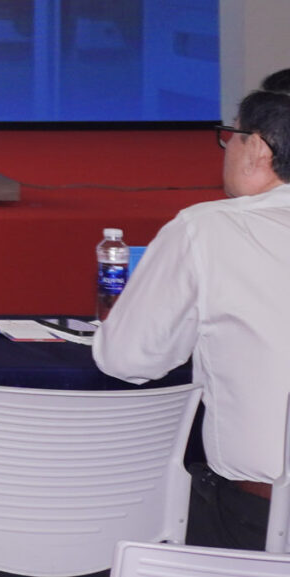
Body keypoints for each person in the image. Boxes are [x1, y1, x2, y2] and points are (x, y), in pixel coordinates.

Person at [94, 86, 290, 550]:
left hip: (259, 521)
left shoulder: (208, 227)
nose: (226, 149)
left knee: (119, 513)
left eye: (230, 136)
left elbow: (127, 360)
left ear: (257, 149)